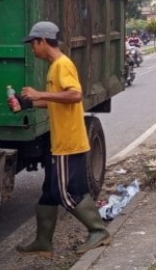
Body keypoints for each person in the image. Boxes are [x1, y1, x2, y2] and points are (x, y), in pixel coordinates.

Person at [17, 21, 111, 256]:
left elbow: (74, 94)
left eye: (32, 44)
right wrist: (27, 104)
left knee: (64, 192)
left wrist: (39, 93)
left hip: (68, 142)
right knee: (49, 190)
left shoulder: (62, 65)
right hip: (63, 139)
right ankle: (43, 241)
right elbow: (56, 100)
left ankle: (97, 230)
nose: (32, 49)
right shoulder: (53, 67)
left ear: (42, 41)